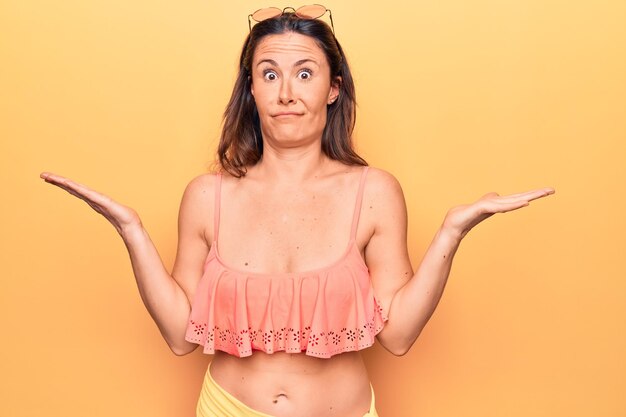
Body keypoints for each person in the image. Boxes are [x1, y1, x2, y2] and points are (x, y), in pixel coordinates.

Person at [39, 6, 555, 417]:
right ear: (252, 90)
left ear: (332, 89)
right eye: (269, 74)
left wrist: (451, 233)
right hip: (226, 410)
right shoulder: (206, 196)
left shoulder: (373, 191)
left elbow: (397, 338)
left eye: (304, 73)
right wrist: (130, 229)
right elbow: (179, 338)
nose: (286, 92)